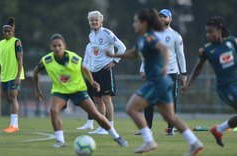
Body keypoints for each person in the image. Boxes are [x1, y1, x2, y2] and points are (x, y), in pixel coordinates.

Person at [106, 8, 203, 155]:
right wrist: (114, 54)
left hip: (157, 81)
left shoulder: (150, 37)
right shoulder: (145, 38)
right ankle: (195, 143)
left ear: (144, 23)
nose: (134, 25)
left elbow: (163, 49)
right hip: (161, 82)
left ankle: (149, 142)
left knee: (131, 108)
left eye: (136, 22)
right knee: (170, 117)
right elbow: (133, 54)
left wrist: (164, 67)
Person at [33, 33, 128, 148]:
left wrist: (92, 82)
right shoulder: (47, 60)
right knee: (53, 110)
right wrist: (37, 90)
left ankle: (117, 137)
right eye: (54, 46)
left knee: (95, 114)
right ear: (50, 47)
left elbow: (84, 68)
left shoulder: (73, 58)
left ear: (64, 46)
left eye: (59, 45)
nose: (57, 48)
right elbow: (35, 72)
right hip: (60, 91)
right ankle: (60, 141)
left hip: (77, 89)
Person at [180, 16, 237, 147]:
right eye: (207, 32)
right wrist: (188, 84)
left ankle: (218, 130)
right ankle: (219, 129)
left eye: (211, 32)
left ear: (220, 30)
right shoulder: (206, 50)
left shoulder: (232, 42)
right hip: (225, 88)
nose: (208, 35)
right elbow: (198, 68)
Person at [138, 9, 187, 135]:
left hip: (171, 72)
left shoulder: (176, 36)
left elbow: (181, 56)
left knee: (170, 101)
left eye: (164, 17)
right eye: (160, 16)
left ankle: (171, 128)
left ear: (170, 19)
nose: (161, 19)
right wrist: (142, 68)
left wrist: (184, 73)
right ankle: (147, 128)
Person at [77, 11, 126, 134]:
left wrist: (115, 61)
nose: (94, 22)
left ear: (101, 21)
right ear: (89, 22)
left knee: (106, 99)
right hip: (94, 71)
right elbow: (94, 53)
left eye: (96, 20)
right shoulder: (91, 35)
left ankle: (110, 126)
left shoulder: (107, 33)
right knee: (97, 100)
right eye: (92, 20)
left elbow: (122, 47)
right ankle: (101, 126)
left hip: (105, 69)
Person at [0, 17, 25, 133]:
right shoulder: (0, 43)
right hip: (5, 76)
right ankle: (14, 124)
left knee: (12, 98)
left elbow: (20, 59)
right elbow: (0, 62)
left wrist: (18, 76)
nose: (6, 33)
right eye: (4, 31)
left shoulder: (17, 41)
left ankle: (14, 125)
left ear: (13, 31)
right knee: (9, 99)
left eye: (9, 31)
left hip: (14, 75)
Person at [77, 43, 94, 130]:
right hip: (89, 74)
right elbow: (85, 60)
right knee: (90, 98)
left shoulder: (104, 43)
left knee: (101, 100)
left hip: (99, 72)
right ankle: (90, 123)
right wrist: (85, 72)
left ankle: (105, 124)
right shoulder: (88, 45)